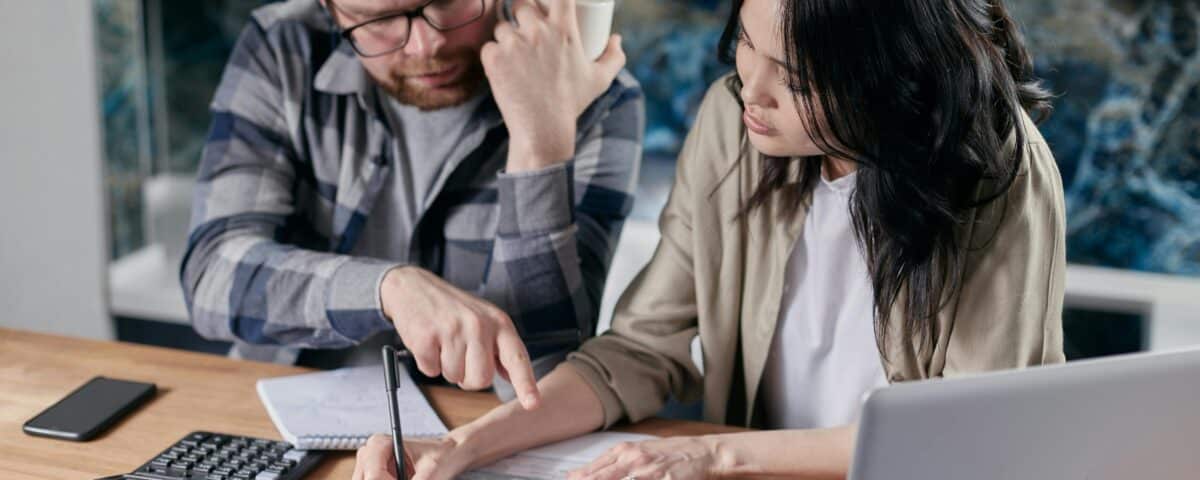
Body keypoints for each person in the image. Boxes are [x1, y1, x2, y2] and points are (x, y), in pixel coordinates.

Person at [353, 0, 1067, 477]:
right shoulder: (732, 123)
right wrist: (466, 447)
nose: (749, 90)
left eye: (790, 77)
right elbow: (638, 350)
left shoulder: (999, 171)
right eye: (745, 49)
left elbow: (971, 435)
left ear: (890, 77)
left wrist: (716, 456)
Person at [181, 0, 643, 409]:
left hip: (478, 436)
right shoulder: (283, 47)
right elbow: (211, 277)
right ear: (329, 8)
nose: (426, 45)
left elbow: (542, 380)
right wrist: (388, 290)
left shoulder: (595, 92)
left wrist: (539, 146)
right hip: (280, 403)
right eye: (378, 20)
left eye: (445, 4)